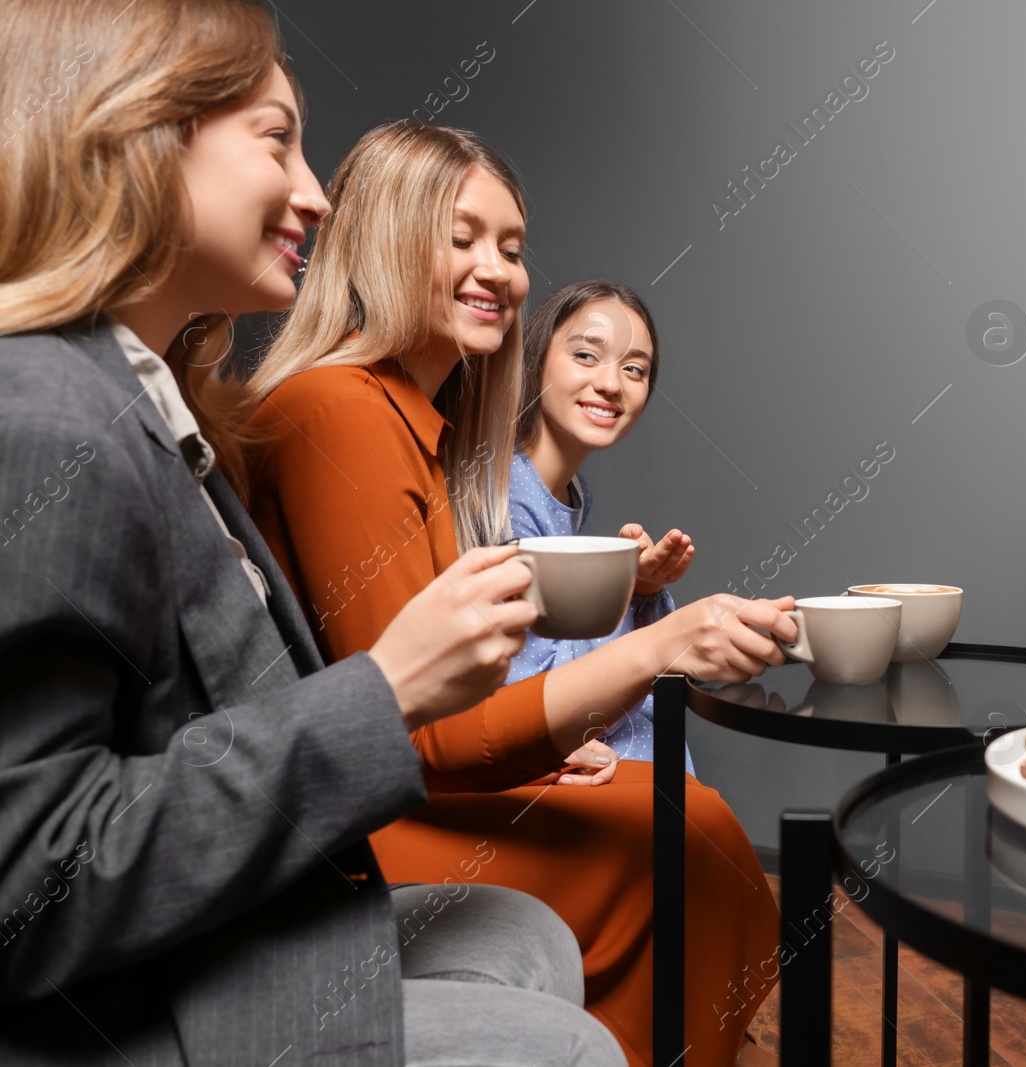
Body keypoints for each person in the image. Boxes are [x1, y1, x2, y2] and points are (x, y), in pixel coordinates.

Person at [0, 2, 624, 1065]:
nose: (315, 194)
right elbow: (29, 892)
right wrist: (386, 690)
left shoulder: (152, 403)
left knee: (519, 928)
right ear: (140, 130)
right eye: (276, 138)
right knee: (568, 1046)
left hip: (215, 922)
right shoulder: (50, 417)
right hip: (115, 1012)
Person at [245, 121, 790, 1067]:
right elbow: (415, 730)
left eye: (511, 245)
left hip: (391, 786)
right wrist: (663, 645)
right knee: (687, 831)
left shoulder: (415, 424)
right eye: (460, 238)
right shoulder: (338, 409)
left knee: (685, 824)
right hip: (353, 822)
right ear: (381, 235)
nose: (496, 269)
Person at [507, 279, 696, 770]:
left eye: (634, 369)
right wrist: (624, 595)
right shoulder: (506, 493)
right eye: (587, 356)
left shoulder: (573, 492)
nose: (612, 384)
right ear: (534, 361)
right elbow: (524, 682)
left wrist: (638, 587)